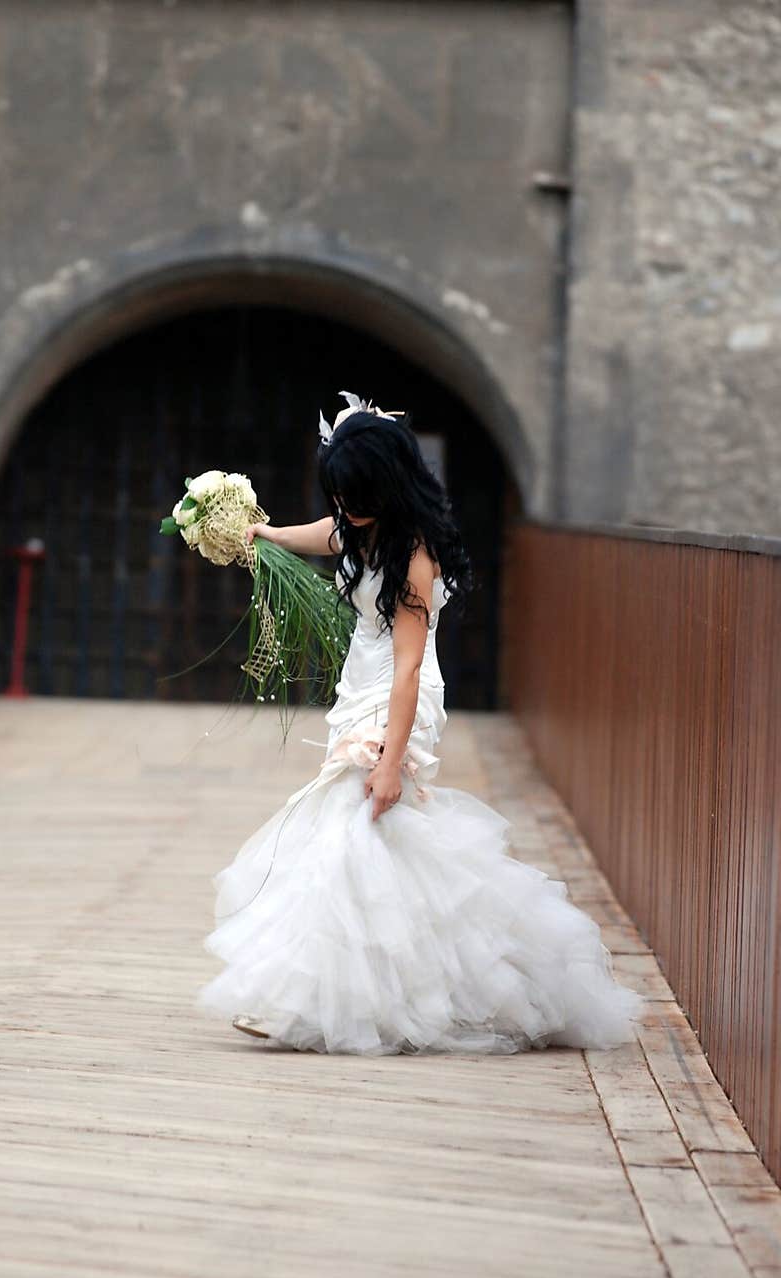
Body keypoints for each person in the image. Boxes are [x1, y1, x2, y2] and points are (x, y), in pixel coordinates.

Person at [197, 393, 644, 1055]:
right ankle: (463, 983)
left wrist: (388, 761)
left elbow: (408, 670)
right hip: (360, 685)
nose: (346, 508)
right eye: (340, 495)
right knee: (386, 841)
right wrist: (265, 534)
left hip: (398, 697)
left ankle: (295, 1000)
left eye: (357, 496)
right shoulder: (359, 524)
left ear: (390, 486)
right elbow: (326, 533)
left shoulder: (416, 559)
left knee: (350, 823)